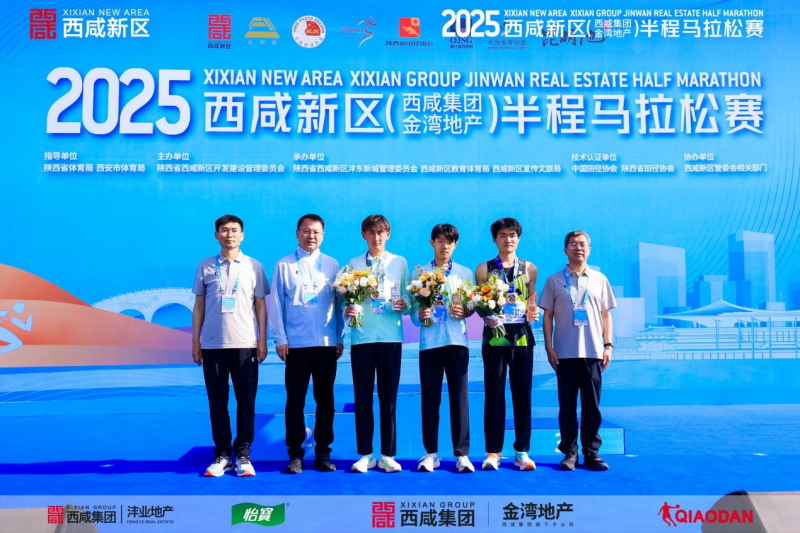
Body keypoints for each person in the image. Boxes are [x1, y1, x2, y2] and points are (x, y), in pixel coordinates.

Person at [192, 215, 269, 477]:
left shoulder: (254, 266)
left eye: (235, 230)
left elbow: (260, 305)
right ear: (216, 235)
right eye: (224, 230)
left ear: (242, 235)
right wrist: (196, 340)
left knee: (246, 402)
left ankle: (243, 454)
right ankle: (223, 454)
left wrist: (262, 339)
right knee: (217, 402)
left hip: (245, 345)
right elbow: (199, 306)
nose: (230, 235)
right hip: (213, 346)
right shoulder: (205, 266)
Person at [269, 214, 343, 474]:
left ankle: (323, 452)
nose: (311, 236)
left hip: (326, 344)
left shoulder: (333, 264)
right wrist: (280, 339)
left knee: (326, 400)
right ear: (297, 233)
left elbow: (339, 305)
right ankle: (295, 454)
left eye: (316, 232)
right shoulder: (284, 264)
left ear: (323, 235)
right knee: (295, 401)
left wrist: (339, 337)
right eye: (306, 231)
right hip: (296, 345)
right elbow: (276, 304)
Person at [539, 230, 616, 471]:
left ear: (589, 249)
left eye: (583, 244)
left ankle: (591, 451)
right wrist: (549, 347)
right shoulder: (554, 280)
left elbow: (606, 315)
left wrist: (608, 345)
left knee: (592, 406)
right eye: (573, 244)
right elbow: (547, 316)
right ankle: (570, 452)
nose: (578, 248)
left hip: (593, 352)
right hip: (564, 354)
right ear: (565, 250)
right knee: (567, 407)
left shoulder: (600, 279)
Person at [344, 214, 411, 473]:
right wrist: (348, 308)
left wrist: (405, 303)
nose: (376, 237)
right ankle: (365, 455)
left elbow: (409, 297)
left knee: (389, 398)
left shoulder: (399, 262)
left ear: (388, 234)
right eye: (371, 232)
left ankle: (388, 455)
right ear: (364, 235)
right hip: (362, 337)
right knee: (362, 397)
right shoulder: (353, 264)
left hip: (391, 338)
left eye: (381, 232)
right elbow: (345, 299)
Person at [475, 217, 539, 471]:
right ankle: (493, 452)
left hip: (522, 339)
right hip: (495, 339)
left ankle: (522, 451)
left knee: (522, 395)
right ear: (495, 239)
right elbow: (479, 303)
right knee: (494, 395)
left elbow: (532, 301)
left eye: (512, 235)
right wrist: (486, 316)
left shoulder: (530, 268)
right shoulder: (484, 269)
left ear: (518, 238)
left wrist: (533, 312)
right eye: (502, 235)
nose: (508, 239)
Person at [410, 224, 476, 473]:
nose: (444, 246)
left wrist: (465, 311)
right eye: (440, 241)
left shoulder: (464, 273)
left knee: (459, 400)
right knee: (430, 399)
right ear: (432, 243)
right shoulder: (420, 273)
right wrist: (420, 315)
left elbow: (472, 306)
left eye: (449, 242)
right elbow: (413, 312)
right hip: (430, 343)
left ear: (455, 245)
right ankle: (431, 454)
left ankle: (462, 455)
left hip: (457, 342)